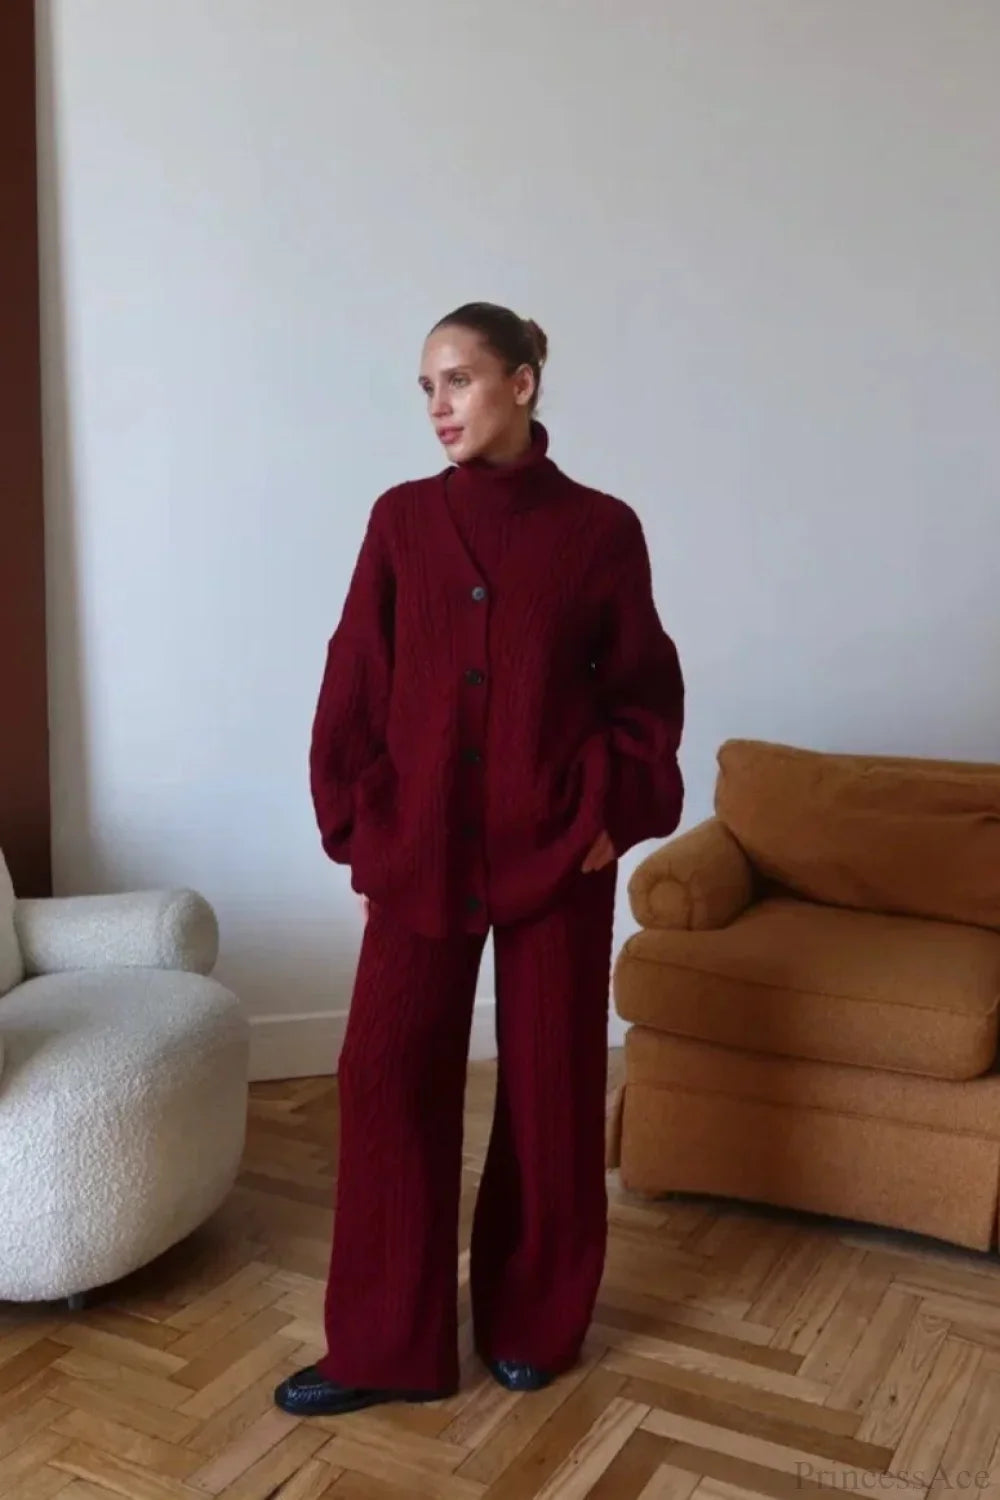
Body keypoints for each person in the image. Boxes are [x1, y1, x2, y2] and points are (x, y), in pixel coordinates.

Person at [274, 302, 684, 1418]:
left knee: (552, 1087)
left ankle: (533, 1322)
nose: (439, 406)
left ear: (523, 382)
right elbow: (356, 673)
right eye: (427, 388)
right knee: (384, 1077)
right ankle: (383, 1346)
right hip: (422, 847)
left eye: (457, 379)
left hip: (558, 851)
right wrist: (362, 831)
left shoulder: (600, 529)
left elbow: (643, 689)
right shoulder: (402, 520)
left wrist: (614, 811)